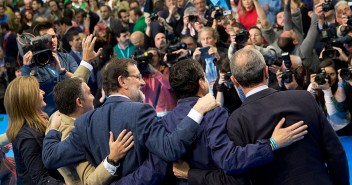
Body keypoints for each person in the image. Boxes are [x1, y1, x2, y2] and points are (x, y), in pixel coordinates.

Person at [42, 58, 219, 184]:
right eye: (137, 77)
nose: (142, 82)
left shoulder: (84, 123)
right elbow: (170, 150)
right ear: (122, 81)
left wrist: (53, 131)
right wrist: (197, 111)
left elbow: (50, 158)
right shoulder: (141, 112)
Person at [163, 58, 307, 185]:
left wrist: (189, 174)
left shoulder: (164, 123)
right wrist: (272, 144)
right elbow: (230, 162)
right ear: (201, 83)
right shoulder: (215, 115)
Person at [227, 48, 349, 185]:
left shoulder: (236, 120)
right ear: (266, 72)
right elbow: (335, 153)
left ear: (234, 80)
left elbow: (240, 171)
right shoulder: (304, 98)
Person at [5, 76, 65, 185]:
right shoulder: (27, 137)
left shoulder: (41, 121)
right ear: (28, 98)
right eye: (37, 90)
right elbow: (42, 180)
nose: (42, 92)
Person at [21, 21, 79, 116]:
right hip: (47, 119)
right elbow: (25, 95)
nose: (52, 40)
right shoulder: (32, 65)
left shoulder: (67, 58)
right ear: (38, 42)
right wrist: (26, 68)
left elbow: (80, 81)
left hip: (72, 115)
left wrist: (63, 72)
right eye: (46, 38)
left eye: (53, 36)